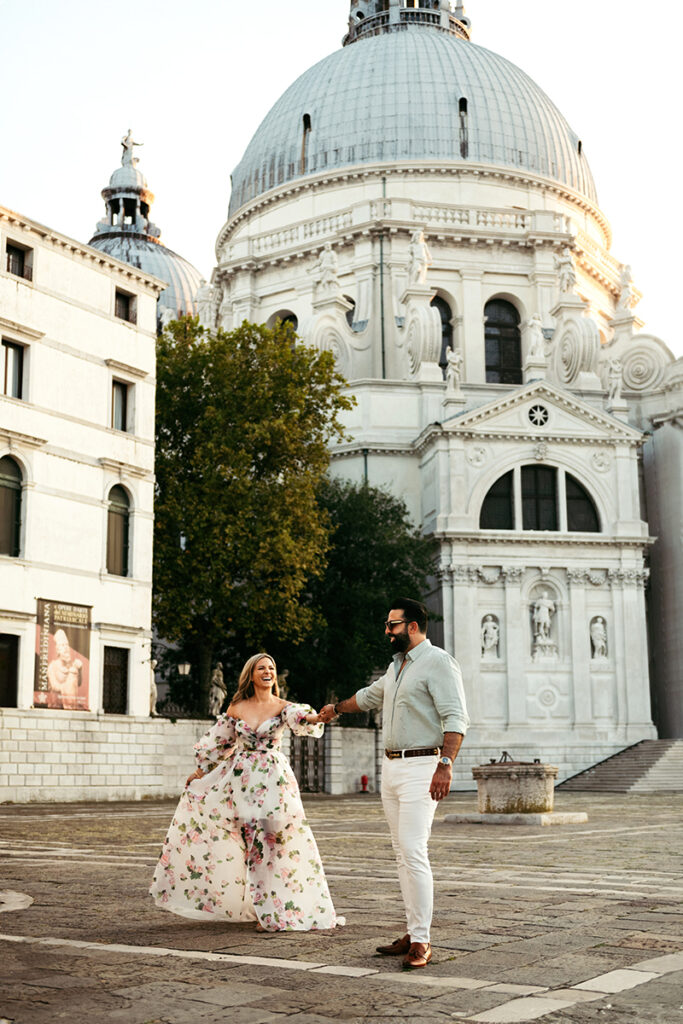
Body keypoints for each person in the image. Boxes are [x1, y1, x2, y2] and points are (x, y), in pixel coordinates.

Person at [319, 597, 469, 969]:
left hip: (424, 766)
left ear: (413, 627)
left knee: (414, 850)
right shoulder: (396, 666)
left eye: (392, 625)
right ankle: (412, 929)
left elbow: (456, 718)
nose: (386, 631)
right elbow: (369, 698)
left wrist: (445, 766)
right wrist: (334, 709)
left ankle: (422, 940)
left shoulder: (439, 663)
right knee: (401, 854)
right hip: (392, 769)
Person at [150, 653, 342, 932]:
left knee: (272, 841)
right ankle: (257, 905)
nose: (268, 671)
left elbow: (303, 717)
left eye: (271, 668)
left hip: (274, 781)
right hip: (242, 782)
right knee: (251, 843)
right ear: (251, 675)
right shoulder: (237, 707)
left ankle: (274, 909)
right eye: (261, 668)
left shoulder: (283, 707)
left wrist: (318, 715)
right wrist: (200, 773)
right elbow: (220, 743)